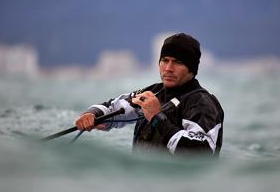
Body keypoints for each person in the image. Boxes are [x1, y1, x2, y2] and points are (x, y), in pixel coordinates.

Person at [75, 33, 224, 155]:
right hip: (144, 184)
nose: (168, 68)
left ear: (191, 69)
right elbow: (114, 107)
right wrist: (92, 114)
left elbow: (201, 154)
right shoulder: (155, 92)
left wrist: (157, 118)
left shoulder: (202, 103)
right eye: (165, 60)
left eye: (177, 62)